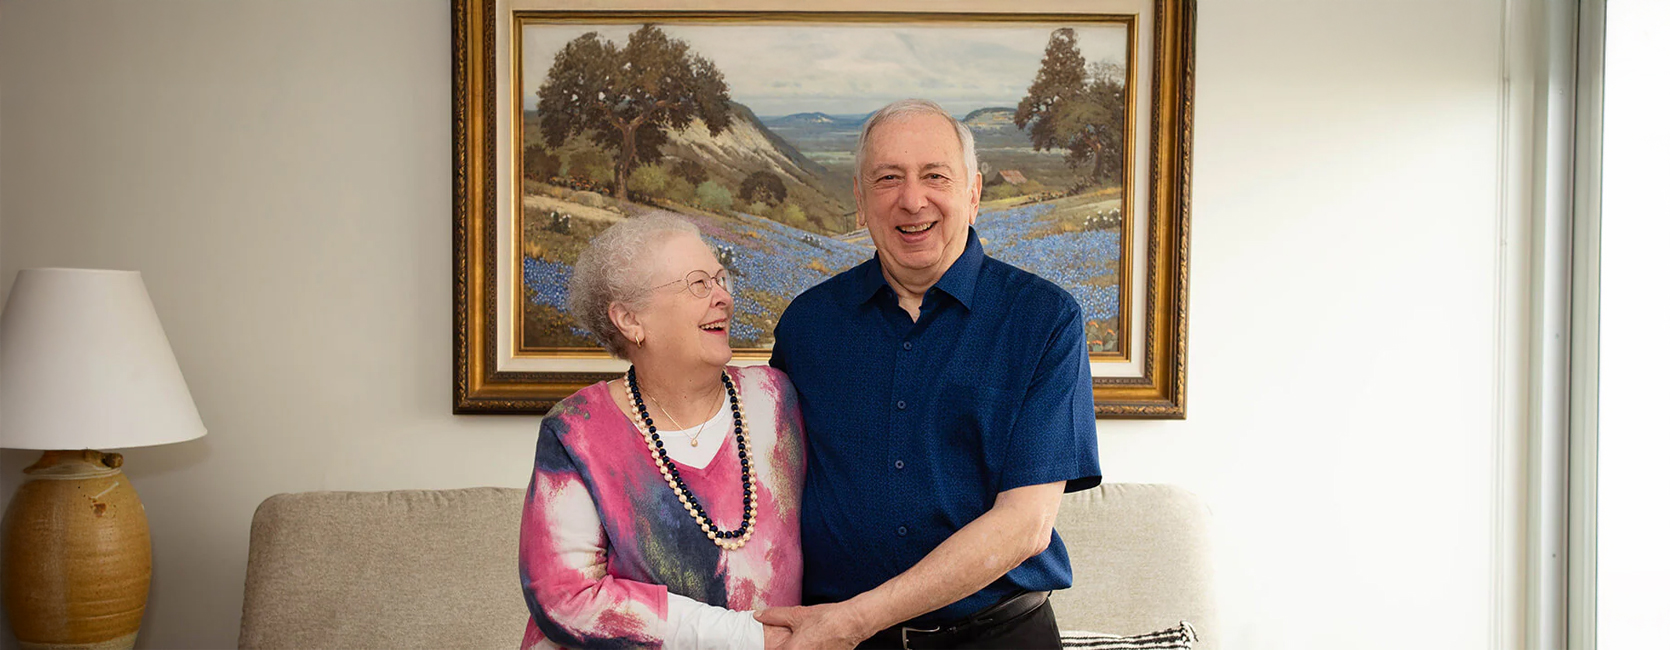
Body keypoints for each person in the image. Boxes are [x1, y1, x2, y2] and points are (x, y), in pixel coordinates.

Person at [762, 99, 1101, 649]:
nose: (912, 200)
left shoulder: (1044, 319)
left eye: (935, 176)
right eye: (888, 178)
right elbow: (762, 484)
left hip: (997, 637)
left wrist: (856, 619)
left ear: (973, 193)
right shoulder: (808, 324)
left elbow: (1025, 526)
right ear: (860, 199)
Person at [519, 214, 805, 650]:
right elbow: (566, 598)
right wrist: (750, 637)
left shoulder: (774, 398)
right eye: (698, 284)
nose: (723, 297)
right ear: (630, 320)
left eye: (721, 279)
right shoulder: (577, 430)